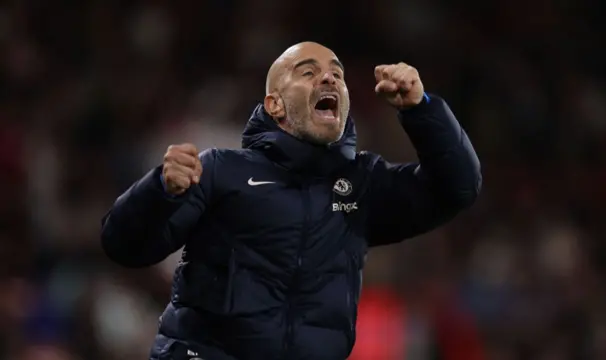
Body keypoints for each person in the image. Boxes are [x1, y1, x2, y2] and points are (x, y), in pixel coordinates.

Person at [100, 41, 482, 360]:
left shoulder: (362, 185)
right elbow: (125, 246)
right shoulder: (220, 171)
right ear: (275, 105)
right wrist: (159, 191)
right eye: (307, 72)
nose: (329, 77)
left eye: (337, 72)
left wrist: (423, 109)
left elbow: (458, 188)